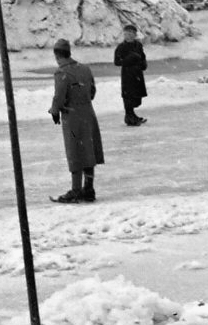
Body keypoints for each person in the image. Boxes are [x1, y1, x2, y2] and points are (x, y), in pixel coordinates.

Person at [48, 39, 103, 202]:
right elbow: (92, 92)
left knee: (75, 152)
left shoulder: (62, 73)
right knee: (88, 150)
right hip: (88, 114)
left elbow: (59, 96)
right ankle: (89, 188)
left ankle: (76, 189)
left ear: (57, 55)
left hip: (72, 117)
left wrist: (55, 110)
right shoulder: (85, 69)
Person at [113, 24, 148, 126]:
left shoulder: (138, 45)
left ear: (135, 34)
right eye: (126, 33)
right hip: (127, 74)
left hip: (137, 74)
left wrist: (143, 63)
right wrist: (128, 60)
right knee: (128, 96)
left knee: (136, 97)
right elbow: (117, 62)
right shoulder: (121, 47)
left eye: (130, 33)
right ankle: (129, 117)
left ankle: (132, 115)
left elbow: (142, 56)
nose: (128, 36)